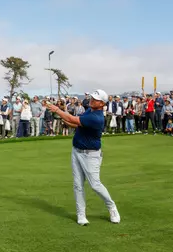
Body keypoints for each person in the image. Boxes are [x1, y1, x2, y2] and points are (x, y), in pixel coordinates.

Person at [46, 89, 120, 226]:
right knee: (77, 184)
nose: (92, 100)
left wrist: (57, 110)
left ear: (102, 103)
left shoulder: (97, 117)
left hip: (91, 155)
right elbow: (75, 123)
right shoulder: (89, 111)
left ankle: (111, 207)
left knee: (95, 185)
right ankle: (81, 214)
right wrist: (62, 117)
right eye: (92, 97)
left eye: (96, 99)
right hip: (77, 151)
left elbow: (72, 119)